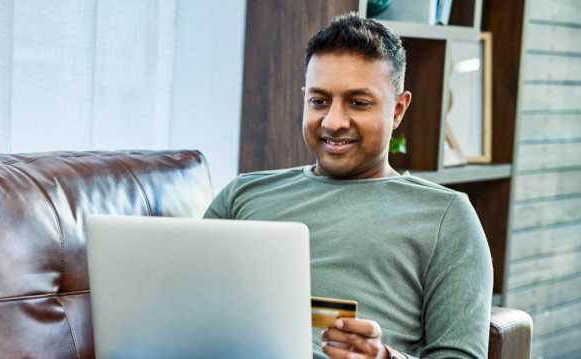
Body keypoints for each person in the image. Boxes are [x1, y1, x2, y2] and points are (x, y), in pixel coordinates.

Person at [204, 13, 492, 359]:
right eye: (319, 101)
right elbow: (179, 302)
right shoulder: (243, 195)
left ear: (398, 109)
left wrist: (385, 358)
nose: (333, 121)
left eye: (358, 102)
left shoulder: (447, 216)